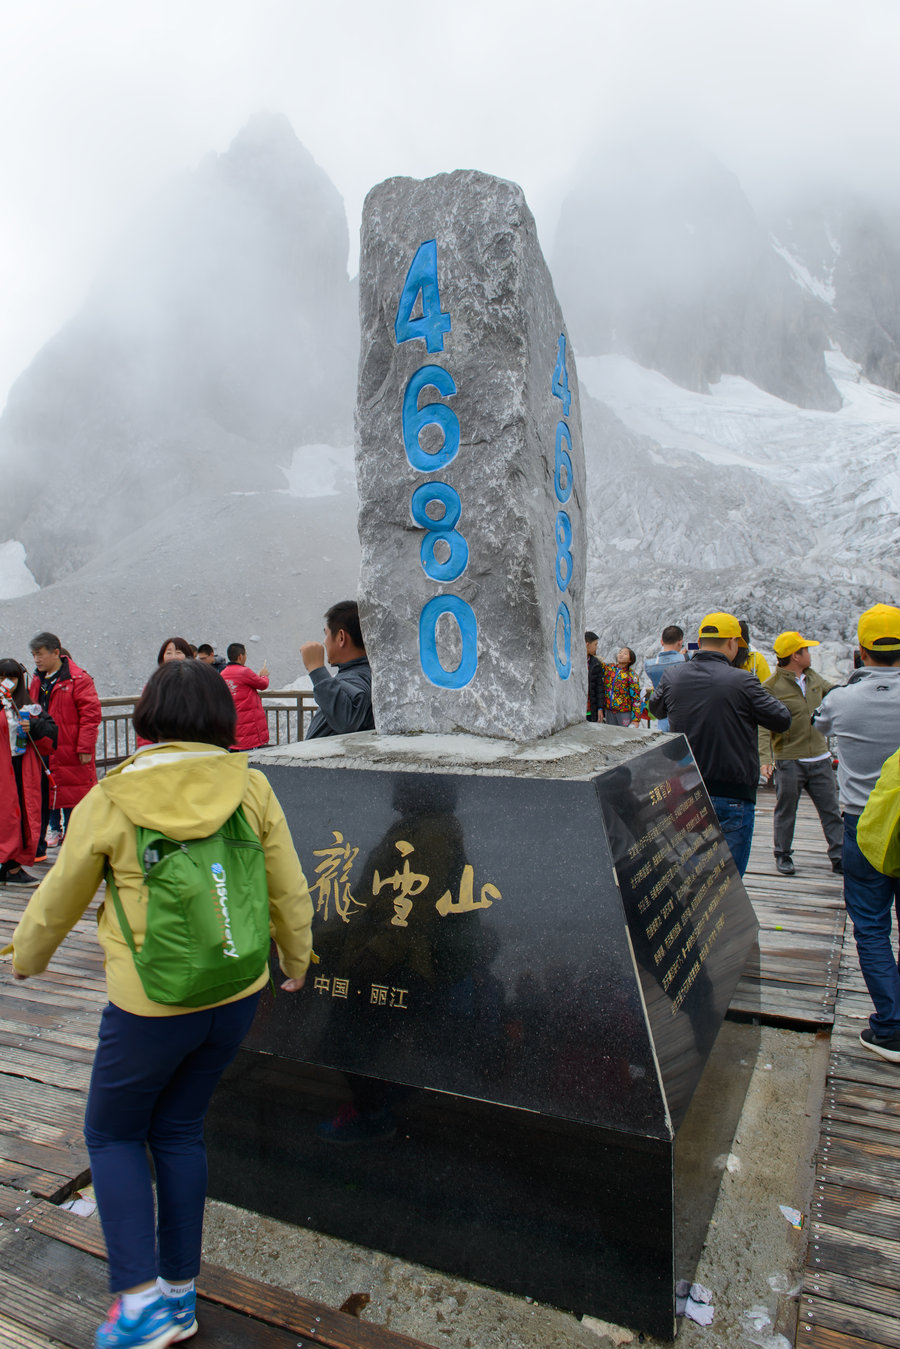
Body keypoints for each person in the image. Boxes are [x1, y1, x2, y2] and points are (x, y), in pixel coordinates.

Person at [5, 659, 313, 1348]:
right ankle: (178, 1293)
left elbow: (60, 895)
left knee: (112, 1133)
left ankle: (139, 1300)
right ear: (221, 719)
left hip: (149, 1002)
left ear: (146, 715)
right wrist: (296, 958)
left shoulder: (115, 796)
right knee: (178, 1129)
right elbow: (289, 885)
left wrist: (25, 956)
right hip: (236, 992)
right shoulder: (253, 785)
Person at [813, 604, 900, 1061]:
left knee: (870, 926)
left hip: (863, 824)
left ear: (860, 651)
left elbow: (819, 725)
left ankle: (890, 1026)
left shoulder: (841, 700)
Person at [649, 611, 792, 876]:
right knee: (729, 883)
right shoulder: (743, 681)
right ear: (732, 643)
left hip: (686, 790)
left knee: (689, 877)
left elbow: (656, 709)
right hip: (733, 795)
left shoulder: (673, 676)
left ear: (699, 642)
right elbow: (782, 719)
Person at [760, 631, 843, 876]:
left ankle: (839, 856)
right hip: (789, 759)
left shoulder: (814, 678)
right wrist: (766, 758)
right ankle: (782, 854)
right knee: (786, 809)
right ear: (796, 655)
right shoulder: (771, 687)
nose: (810, 654)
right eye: (806, 650)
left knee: (830, 809)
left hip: (819, 757)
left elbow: (836, 694)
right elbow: (763, 726)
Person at [29, 632, 102, 859]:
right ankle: (39, 849)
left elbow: (91, 715)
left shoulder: (79, 679)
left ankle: (76, 850)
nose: (37, 660)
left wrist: (84, 748)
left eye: (40, 654)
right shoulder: (37, 680)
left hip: (70, 749)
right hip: (44, 749)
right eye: (34, 655)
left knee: (75, 799)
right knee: (42, 796)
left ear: (55, 653)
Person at [0, 659, 57, 886]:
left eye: (12, 677)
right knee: (5, 817)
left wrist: (33, 726)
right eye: (2, 677)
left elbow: (51, 734)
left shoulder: (28, 705)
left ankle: (13, 867)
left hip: (22, 767)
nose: (7, 682)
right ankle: (9, 867)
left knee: (22, 815)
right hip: (4, 769)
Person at [301, 600, 376, 739]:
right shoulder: (370, 673)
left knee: (248, 760)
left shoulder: (357, 676)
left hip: (324, 760)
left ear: (341, 637)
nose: (324, 641)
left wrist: (316, 669)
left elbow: (348, 718)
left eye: (326, 634)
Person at [221, 644, 270, 751]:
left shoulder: (223, 673)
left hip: (232, 724)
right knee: (251, 759)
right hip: (249, 726)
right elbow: (262, 684)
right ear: (240, 656)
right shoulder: (244, 672)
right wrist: (264, 675)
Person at [644, 625, 686, 732]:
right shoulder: (686, 661)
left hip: (662, 712)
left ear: (662, 642)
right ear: (680, 642)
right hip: (682, 713)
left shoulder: (649, 665)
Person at [600, 648, 641, 726]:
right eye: (620, 652)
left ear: (630, 660)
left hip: (624, 712)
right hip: (609, 711)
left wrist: (636, 719)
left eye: (625, 654)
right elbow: (597, 664)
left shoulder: (631, 675)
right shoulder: (609, 668)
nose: (621, 655)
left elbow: (636, 698)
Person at [585, 630, 604, 722]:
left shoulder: (595, 663)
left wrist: (600, 708)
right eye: (595, 644)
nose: (596, 647)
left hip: (591, 708)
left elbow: (599, 687)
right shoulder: (573, 661)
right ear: (587, 644)